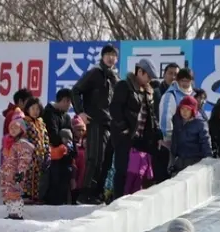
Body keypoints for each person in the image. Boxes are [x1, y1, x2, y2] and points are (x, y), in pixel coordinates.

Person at [72, 44, 119, 204]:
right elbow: (75, 90)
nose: (111, 58)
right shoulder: (95, 73)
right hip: (96, 121)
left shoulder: (115, 78)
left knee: (106, 161)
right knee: (95, 158)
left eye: (114, 55)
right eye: (108, 54)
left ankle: (97, 193)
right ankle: (85, 194)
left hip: (110, 123)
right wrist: (81, 112)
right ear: (102, 56)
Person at [110, 58, 160, 199]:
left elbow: (151, 115)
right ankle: (118, 199)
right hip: (124, 135)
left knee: (141, 170)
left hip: (141, 137)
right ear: (139, 71)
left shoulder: (148, 91)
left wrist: (157, 134)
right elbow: (115, 109)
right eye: (148, 76)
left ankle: (135, 197)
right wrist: (123, 128)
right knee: (122, 169)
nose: (149, 80)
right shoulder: (124, 86)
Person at [0, 116, 34, 219]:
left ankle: (17, 214)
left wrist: (21, 172)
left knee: (15, 194)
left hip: (16, 175)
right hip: (8, 175)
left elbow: (24, 159)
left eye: (16, 127)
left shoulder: (23, 144)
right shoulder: (11, 143)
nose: (13, 130)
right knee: (8, 194)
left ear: (22, 129)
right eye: (11, 128)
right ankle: (11, 213)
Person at [170, 96, 212, 174]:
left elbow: (205, 141)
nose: (184, 112)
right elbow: (174, 140)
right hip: (179, 160)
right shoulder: (177, 121)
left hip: (194, 160)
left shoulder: (200, 124)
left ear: (193, 110)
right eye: (182, 109)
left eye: (188, 109)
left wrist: (208, 159)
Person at [22, 97, 50, 203]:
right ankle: (27, 196)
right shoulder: (25, 122)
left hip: (40, 156)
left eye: (37, 109)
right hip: (29, 156)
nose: (35, 111)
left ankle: (36, 197)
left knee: (39, 177)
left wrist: (48, 154)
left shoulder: (41, 123)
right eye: (32, 108)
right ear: (28, 109)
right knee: (28, 176)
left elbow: (46, 139)